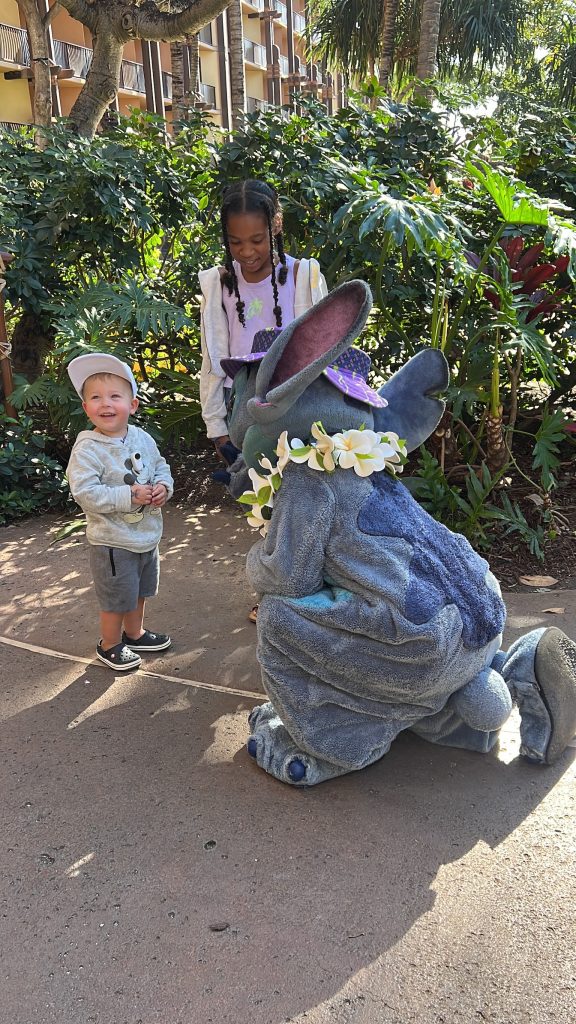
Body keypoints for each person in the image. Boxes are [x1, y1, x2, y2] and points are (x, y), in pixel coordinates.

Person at [199, 179, 328, 621]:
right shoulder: (217, 285)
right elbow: (211, 359)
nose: (247, 251)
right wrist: (216, 425)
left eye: (256, 239)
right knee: (265, 508)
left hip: (301, 409)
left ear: (276, 225)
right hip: (246, 414)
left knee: (308, 502)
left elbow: (327, 348)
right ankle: (277, 597)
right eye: (235, 241)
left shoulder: (304, 276)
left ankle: (315, 593)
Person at [66, 353, 174, 671]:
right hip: (112, 541)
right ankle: (110, 644)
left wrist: (163, 488)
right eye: (95, 398)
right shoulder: (87, 449)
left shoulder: (142, 438)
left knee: (139, 590)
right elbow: (85, 493)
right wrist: (129, 495)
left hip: (145, 536)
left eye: (115, 396)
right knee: (116, 598)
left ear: (133, 404)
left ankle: (135, 633)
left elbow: (160, 467)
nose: (106, 404)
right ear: (86, 408)